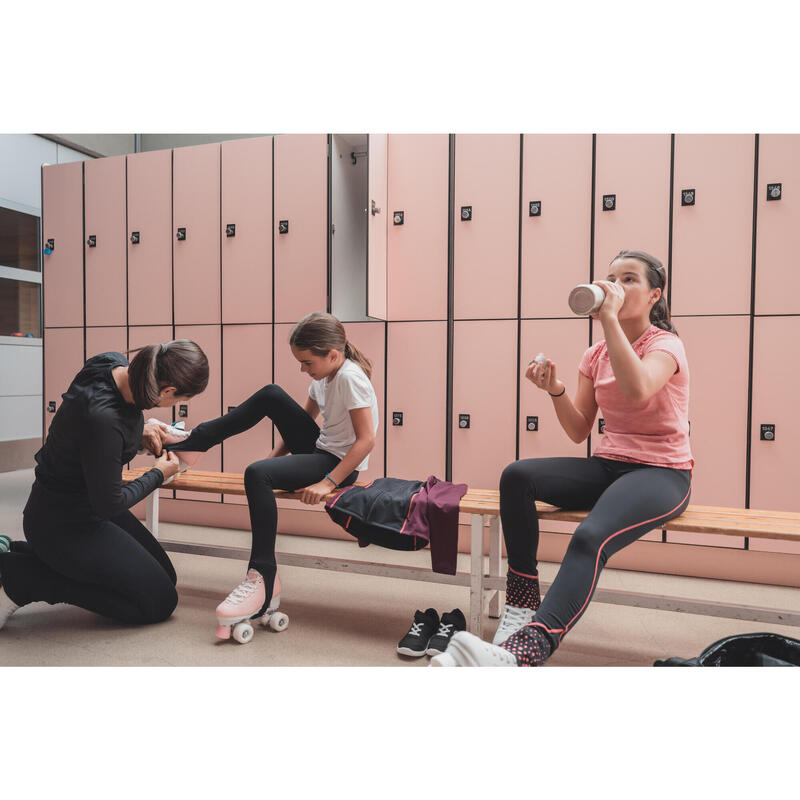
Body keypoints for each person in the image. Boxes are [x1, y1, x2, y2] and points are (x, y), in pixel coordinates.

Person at [432, 250, 693, 667]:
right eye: (611, 277)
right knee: (517, 475)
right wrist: (555, 390)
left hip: (662, 472)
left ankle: (526, 650)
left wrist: (609, 319)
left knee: (591, 537)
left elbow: (640, 390)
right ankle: (521, 601)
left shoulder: (666, 345)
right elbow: (578, 431)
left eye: (629, 280)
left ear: (653, 296)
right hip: (610, 466)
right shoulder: (594, 355)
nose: (615, 286)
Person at [164, 311, 379, 639]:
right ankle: (195, 444)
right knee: (271, 395)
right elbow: (298, 424)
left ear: (333, 355)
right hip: (320, 452)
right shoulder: (323, 377)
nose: (303, 369)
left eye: (307, 362)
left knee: (256, 474)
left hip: (339, 466)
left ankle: (262, 576)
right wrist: (276, 460)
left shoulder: (350, 378)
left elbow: (366, 441)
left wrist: (328, 482)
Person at [0, 341, 209, 630]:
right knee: (159, 601)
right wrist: (159, 473)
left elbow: (85, 434)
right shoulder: (106, 420)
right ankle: (23, 580)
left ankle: (22, 554)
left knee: (164, 576)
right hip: (62, 525)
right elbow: (109, 502)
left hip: (74, 505)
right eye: (178, 399)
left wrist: (138, 433)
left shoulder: (109, 363)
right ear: (168, 391)